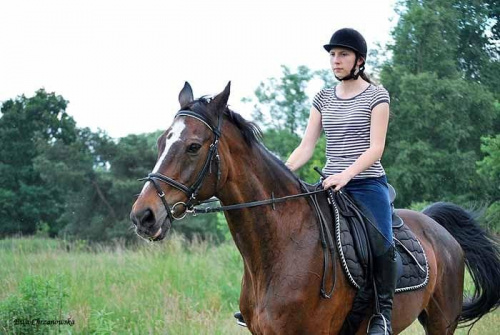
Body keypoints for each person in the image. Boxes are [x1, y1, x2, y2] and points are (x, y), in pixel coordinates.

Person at [285, 28, 397, 335]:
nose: (336, 60)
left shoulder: (377, 96)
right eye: (333, 55)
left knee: (382, 246)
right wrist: (282, 173)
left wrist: (347, 174)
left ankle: (382, 315)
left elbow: (376, 148)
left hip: (366, 183)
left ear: (359, 60)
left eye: (343, 54)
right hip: (329, 184)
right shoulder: (322, 97)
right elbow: (307, 146)